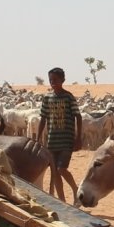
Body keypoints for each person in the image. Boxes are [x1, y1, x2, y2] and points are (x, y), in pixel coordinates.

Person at [33, 67, 83, 203]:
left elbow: (78, 116)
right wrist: (37, 139)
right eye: (50, 80)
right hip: (52, 141)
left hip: (67, 140)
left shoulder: (68, 97)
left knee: (61, 169)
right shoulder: (47, 98)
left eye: (55, 79)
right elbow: (43, 118)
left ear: (63, 80)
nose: (52, 82)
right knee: (55, 172)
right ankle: (62, 201)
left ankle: (75, 190)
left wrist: (78, 137)